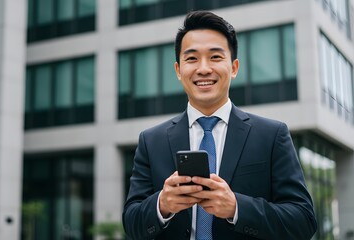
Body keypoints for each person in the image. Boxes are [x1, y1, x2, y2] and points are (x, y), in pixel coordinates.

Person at [122, 10, 317, 240]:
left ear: (234, 67)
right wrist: (162, 205)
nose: (203, 68)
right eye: (192, 58)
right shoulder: (151, 141)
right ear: (178, 70)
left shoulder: (272, 135)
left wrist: (237, 207)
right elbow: (132, 222)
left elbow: (303, 220)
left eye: (215, 57)